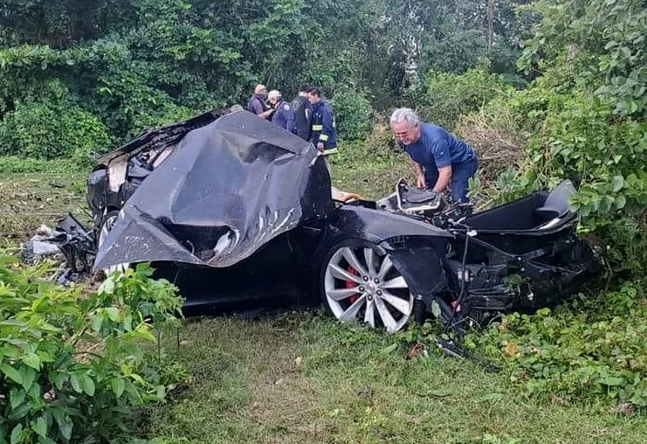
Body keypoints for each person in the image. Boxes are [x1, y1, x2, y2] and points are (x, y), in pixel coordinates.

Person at [389, 108, 478, 203]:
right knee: (426, 189)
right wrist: (420, 174)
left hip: (462, 161)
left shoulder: (435, 140)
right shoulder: (402, 140)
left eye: (404, 133)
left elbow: (446, 172)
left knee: (458, 199)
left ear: (416, 126)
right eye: (398, 134)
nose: (402, 137)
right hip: (435, 163)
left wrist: (431, 197)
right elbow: (414, 154)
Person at [308, 87, 338, 173]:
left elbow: (327, 127)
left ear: (316, 96)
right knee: (318, 164)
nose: (309, 100)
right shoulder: (316, 108)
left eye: (310, 97)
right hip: (317, 141)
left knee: (324, 163)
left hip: (325, 143)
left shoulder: (325, 108)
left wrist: (321, 141)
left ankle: (327, 183)